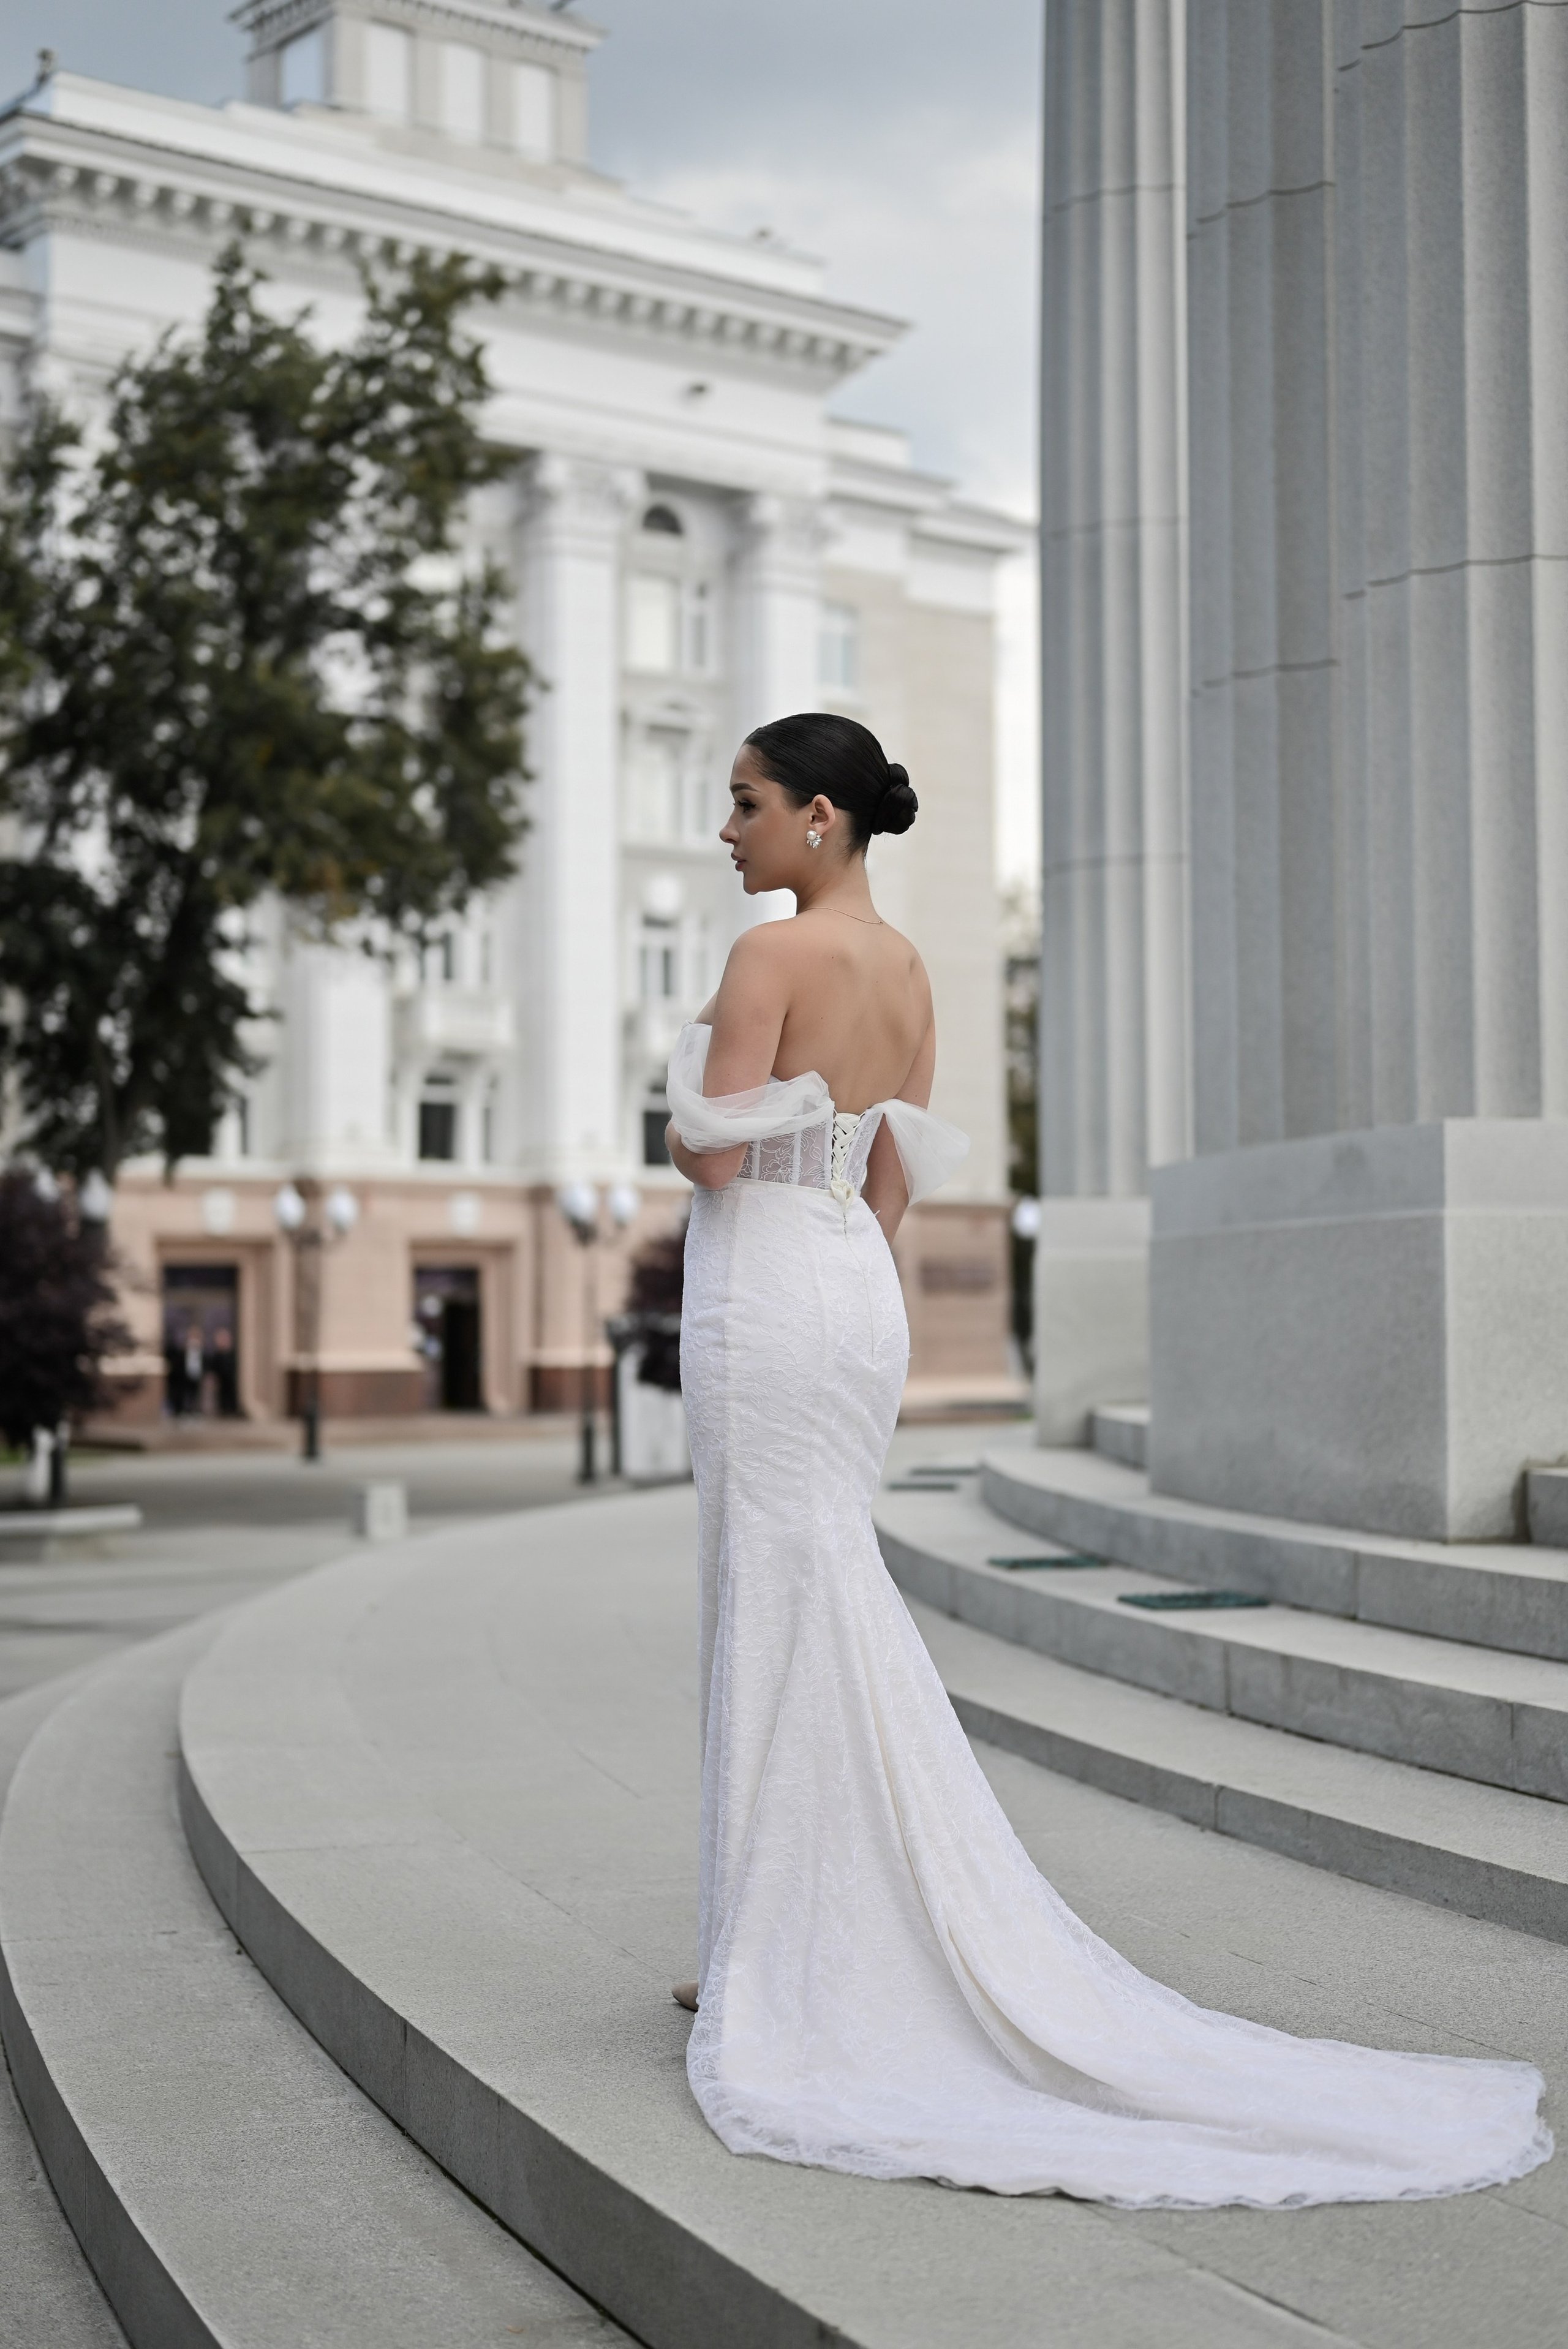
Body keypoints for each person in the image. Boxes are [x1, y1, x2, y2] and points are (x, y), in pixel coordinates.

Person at [663, 709, 1550, 2208]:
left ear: (819, 819)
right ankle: (769, 1938)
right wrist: (824, 1256)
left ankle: (778, 1958)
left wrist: (686, 1084)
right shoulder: (913, 971)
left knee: (772, 1587)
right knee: (813, 1581)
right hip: (847, 1292)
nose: (727, 831)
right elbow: (885, 1183)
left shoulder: (768, 958)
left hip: (762, 1287)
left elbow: (706, 1154)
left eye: (743, 804)